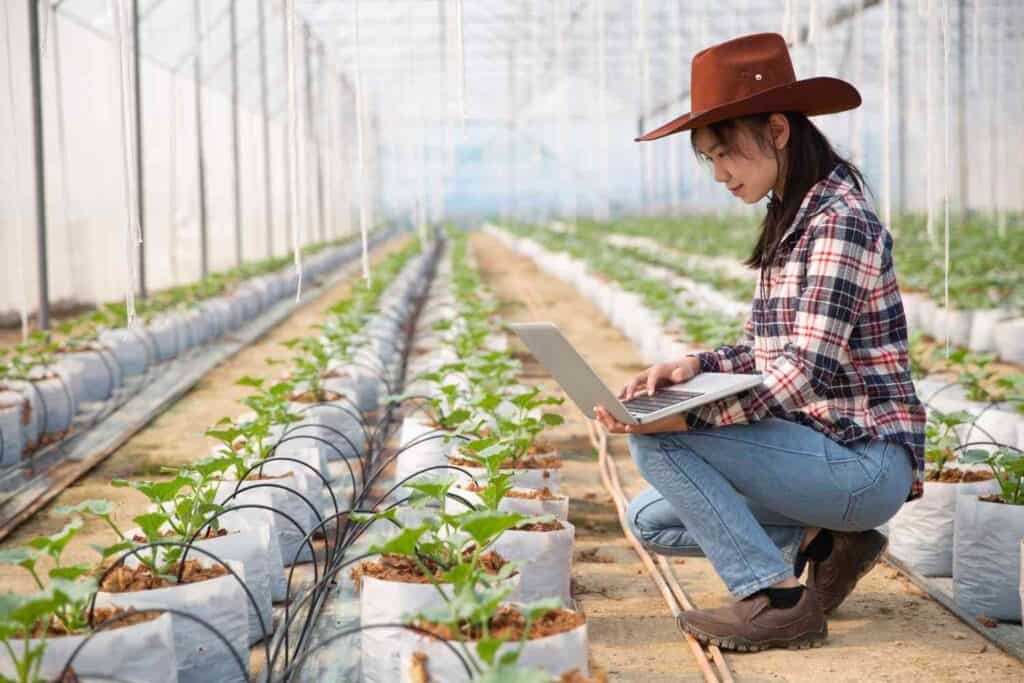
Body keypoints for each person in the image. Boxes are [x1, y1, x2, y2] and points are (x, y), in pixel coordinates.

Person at [593, 32, 926, 652]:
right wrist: (692, 367)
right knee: (650, 520)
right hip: (817, 454)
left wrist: (686, 418)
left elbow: (802, 375)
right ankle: (822, 544)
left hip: (862, 460)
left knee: (661, 449)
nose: (719, 174)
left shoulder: (839, 223)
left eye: (725, 153)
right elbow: (762, 349)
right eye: (708, 159)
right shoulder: (794, 217)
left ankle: (776, 601)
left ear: (777, 131)